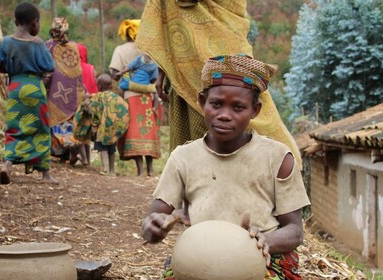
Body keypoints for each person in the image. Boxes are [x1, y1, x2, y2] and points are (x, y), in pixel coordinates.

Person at [119, 54, 311, 280]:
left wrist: (264, 241)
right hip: (198, 265)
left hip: (260, 267)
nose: (225, 115)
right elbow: (155, 217)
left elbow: (295, 231)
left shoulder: (278, 157)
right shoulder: (184, 158)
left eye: (238, 108)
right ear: (201, 101)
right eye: (216, 104)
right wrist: (154, 226)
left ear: (256, 111)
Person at [136, 0, 301, 164]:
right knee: (193, 146)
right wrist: (162, 69)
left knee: (243, 108)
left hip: (227, 44)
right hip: (184, 63)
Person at [0, 2, 56, 185]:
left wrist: (12, 68)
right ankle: (45, 174)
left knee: (14, 126)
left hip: (16, 87)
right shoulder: (38, 43)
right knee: (41, 128)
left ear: (15, 21)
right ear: (34, 22)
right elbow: (50, 67)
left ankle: (8, 163)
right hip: (35, 87)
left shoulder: (6, 41)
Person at [109, 19, 160, 177]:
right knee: (148, 128)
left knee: (134, 129)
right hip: (148, 95)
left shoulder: (120, 50)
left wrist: (126, 77)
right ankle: (150, 169)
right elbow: (155, 77)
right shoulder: (151, 52)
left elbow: (114, 74)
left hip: (130, 95)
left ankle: (139, 170)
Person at [46, 17, 87, 167]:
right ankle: (70, 150)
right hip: (72, 91)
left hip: (55, 90)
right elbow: (77, 71)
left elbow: (46, 68)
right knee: (69, 120)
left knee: (56, 121)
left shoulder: (47, 46)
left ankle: (61, 153)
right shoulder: (74, 47)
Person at [73, 74, 129, 176]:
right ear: (111, 85)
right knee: (112, 149)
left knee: (102, 148)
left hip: (102, 130)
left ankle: (105, 169)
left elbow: (90, 110)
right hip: (113, 130)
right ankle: (112, 170)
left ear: (99, 86)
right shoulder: (117, 98)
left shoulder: (97, 97)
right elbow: (125, 111)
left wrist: (85, 99)